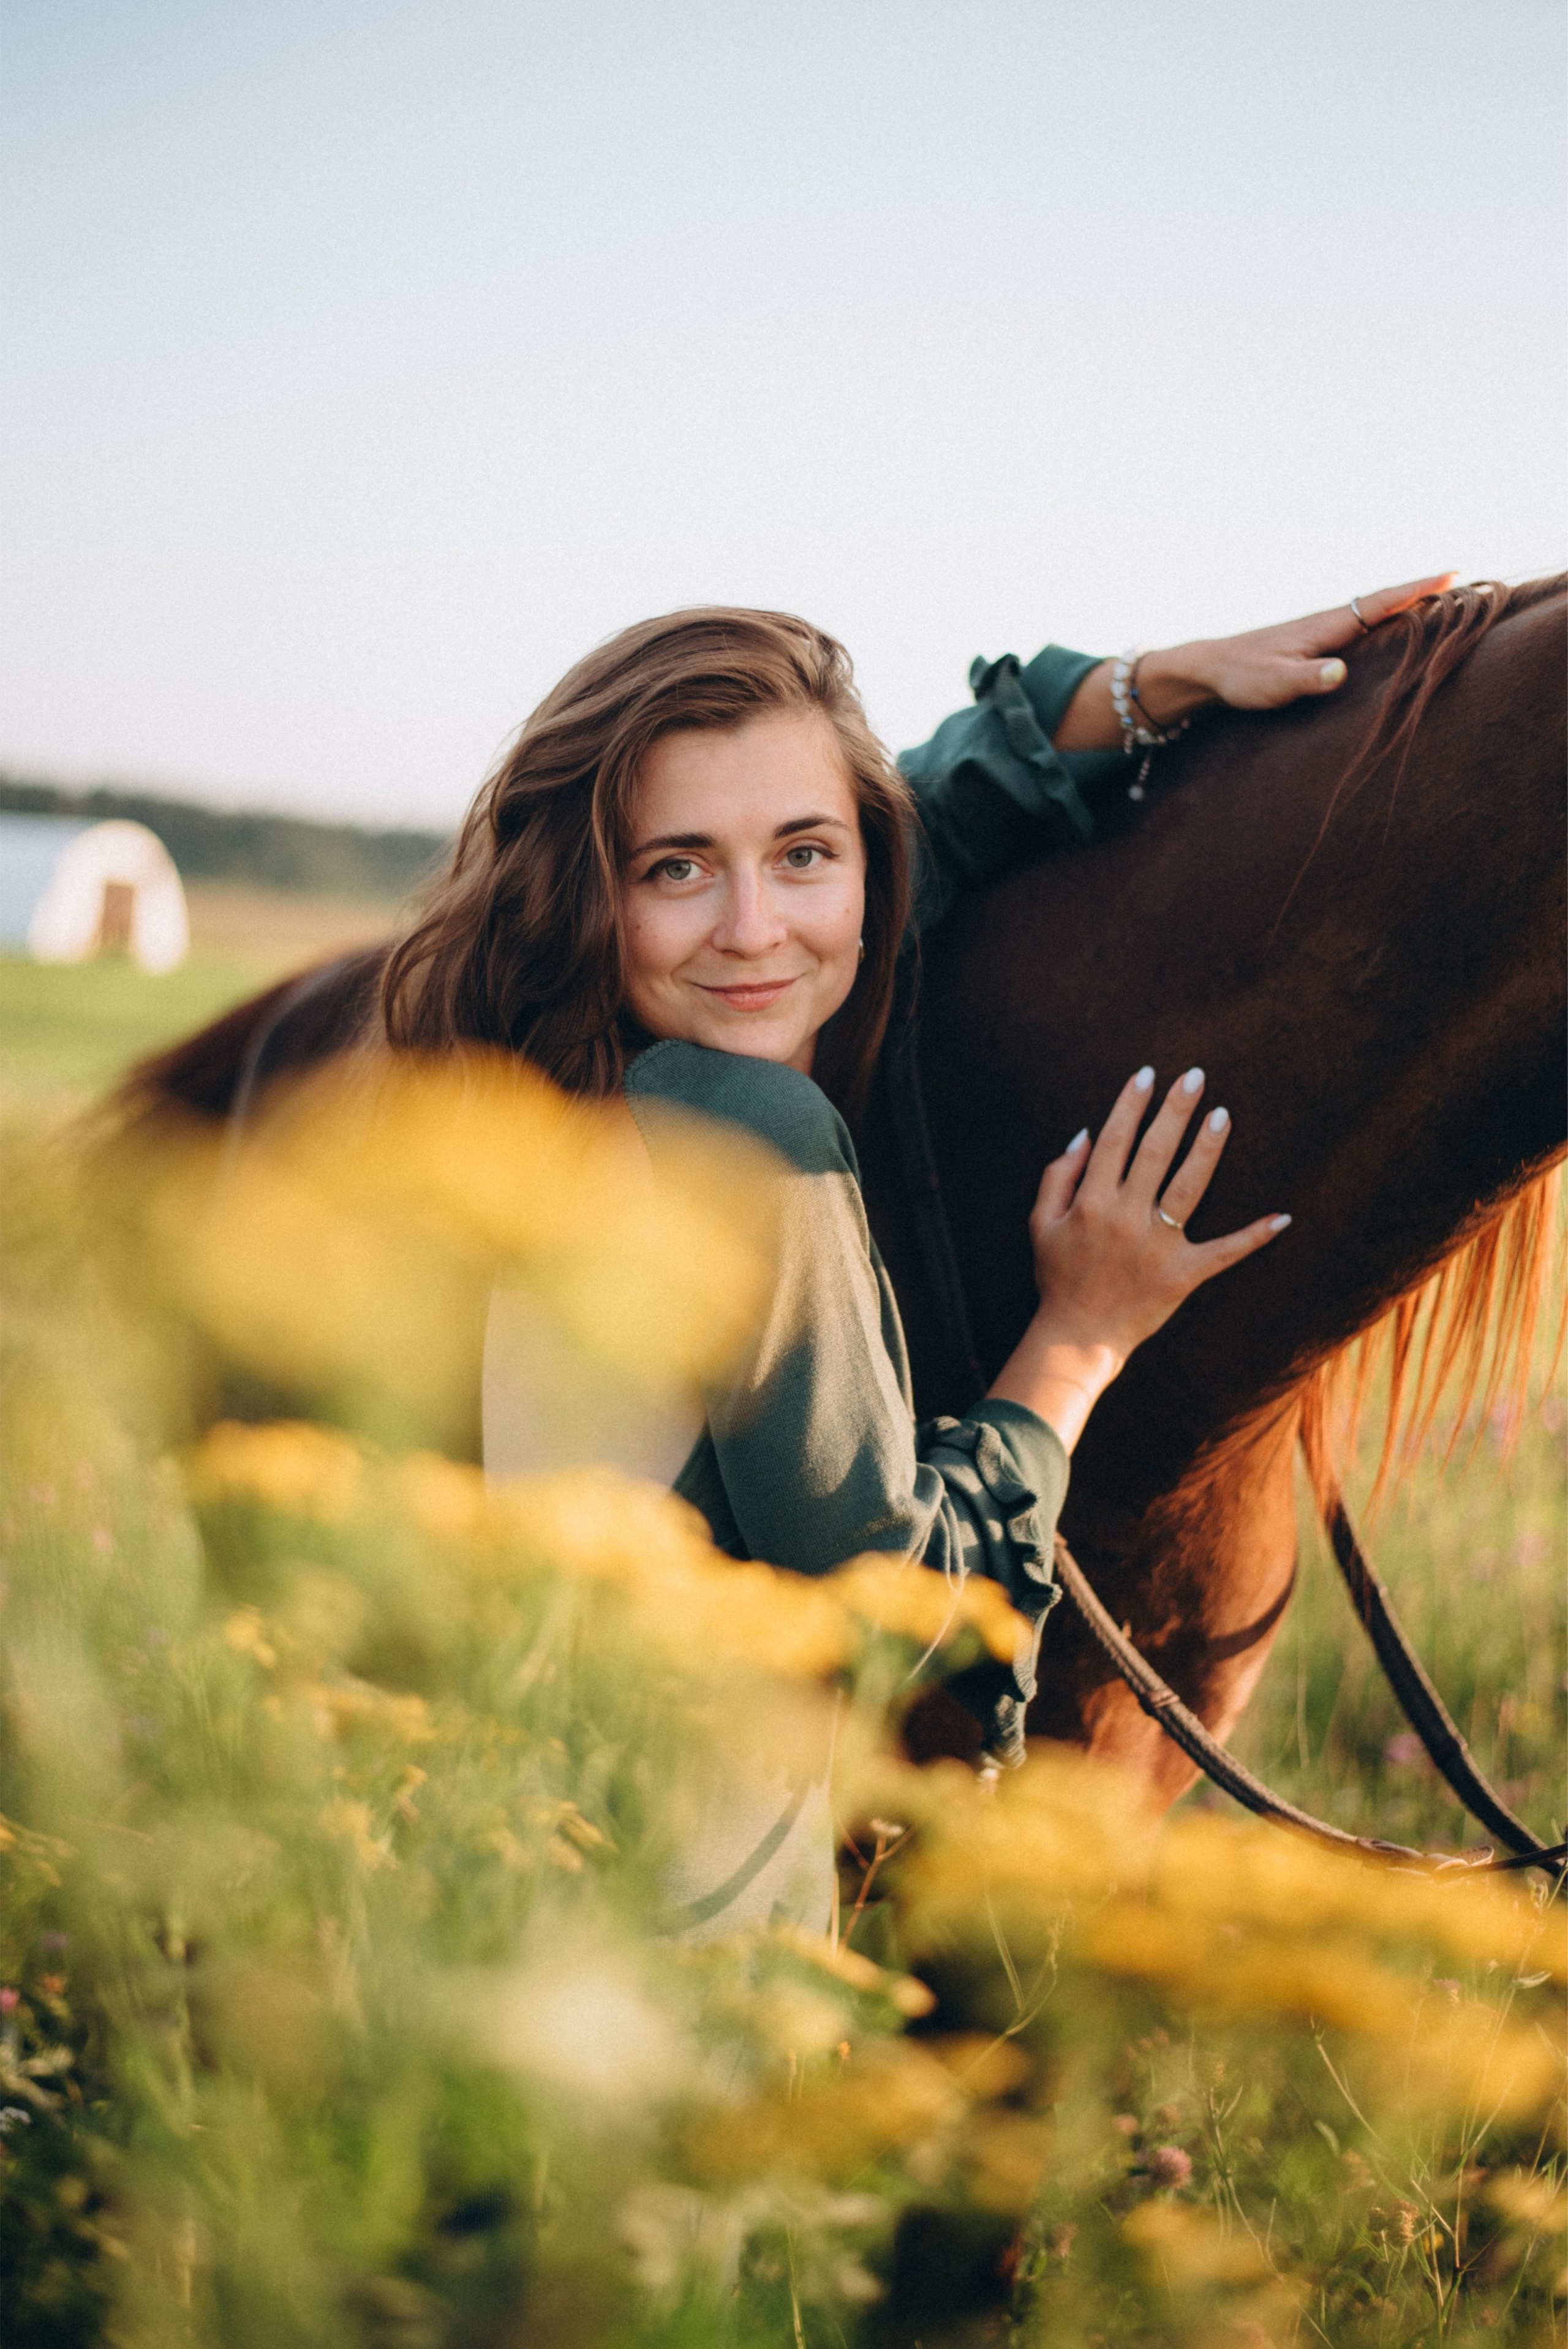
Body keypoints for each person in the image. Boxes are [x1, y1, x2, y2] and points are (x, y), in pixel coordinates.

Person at [385, 575, 1451, 1932]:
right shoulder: (750, 1128)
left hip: (511, 1904)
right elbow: (890, 1614)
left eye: (802, 855)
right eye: (677, 867)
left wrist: (1136, 686)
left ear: (864, 864)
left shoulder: (551, 1091)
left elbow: (898, 822)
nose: (754, 927)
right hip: (688, 1969)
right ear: (588, 890)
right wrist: (1079, 1337)